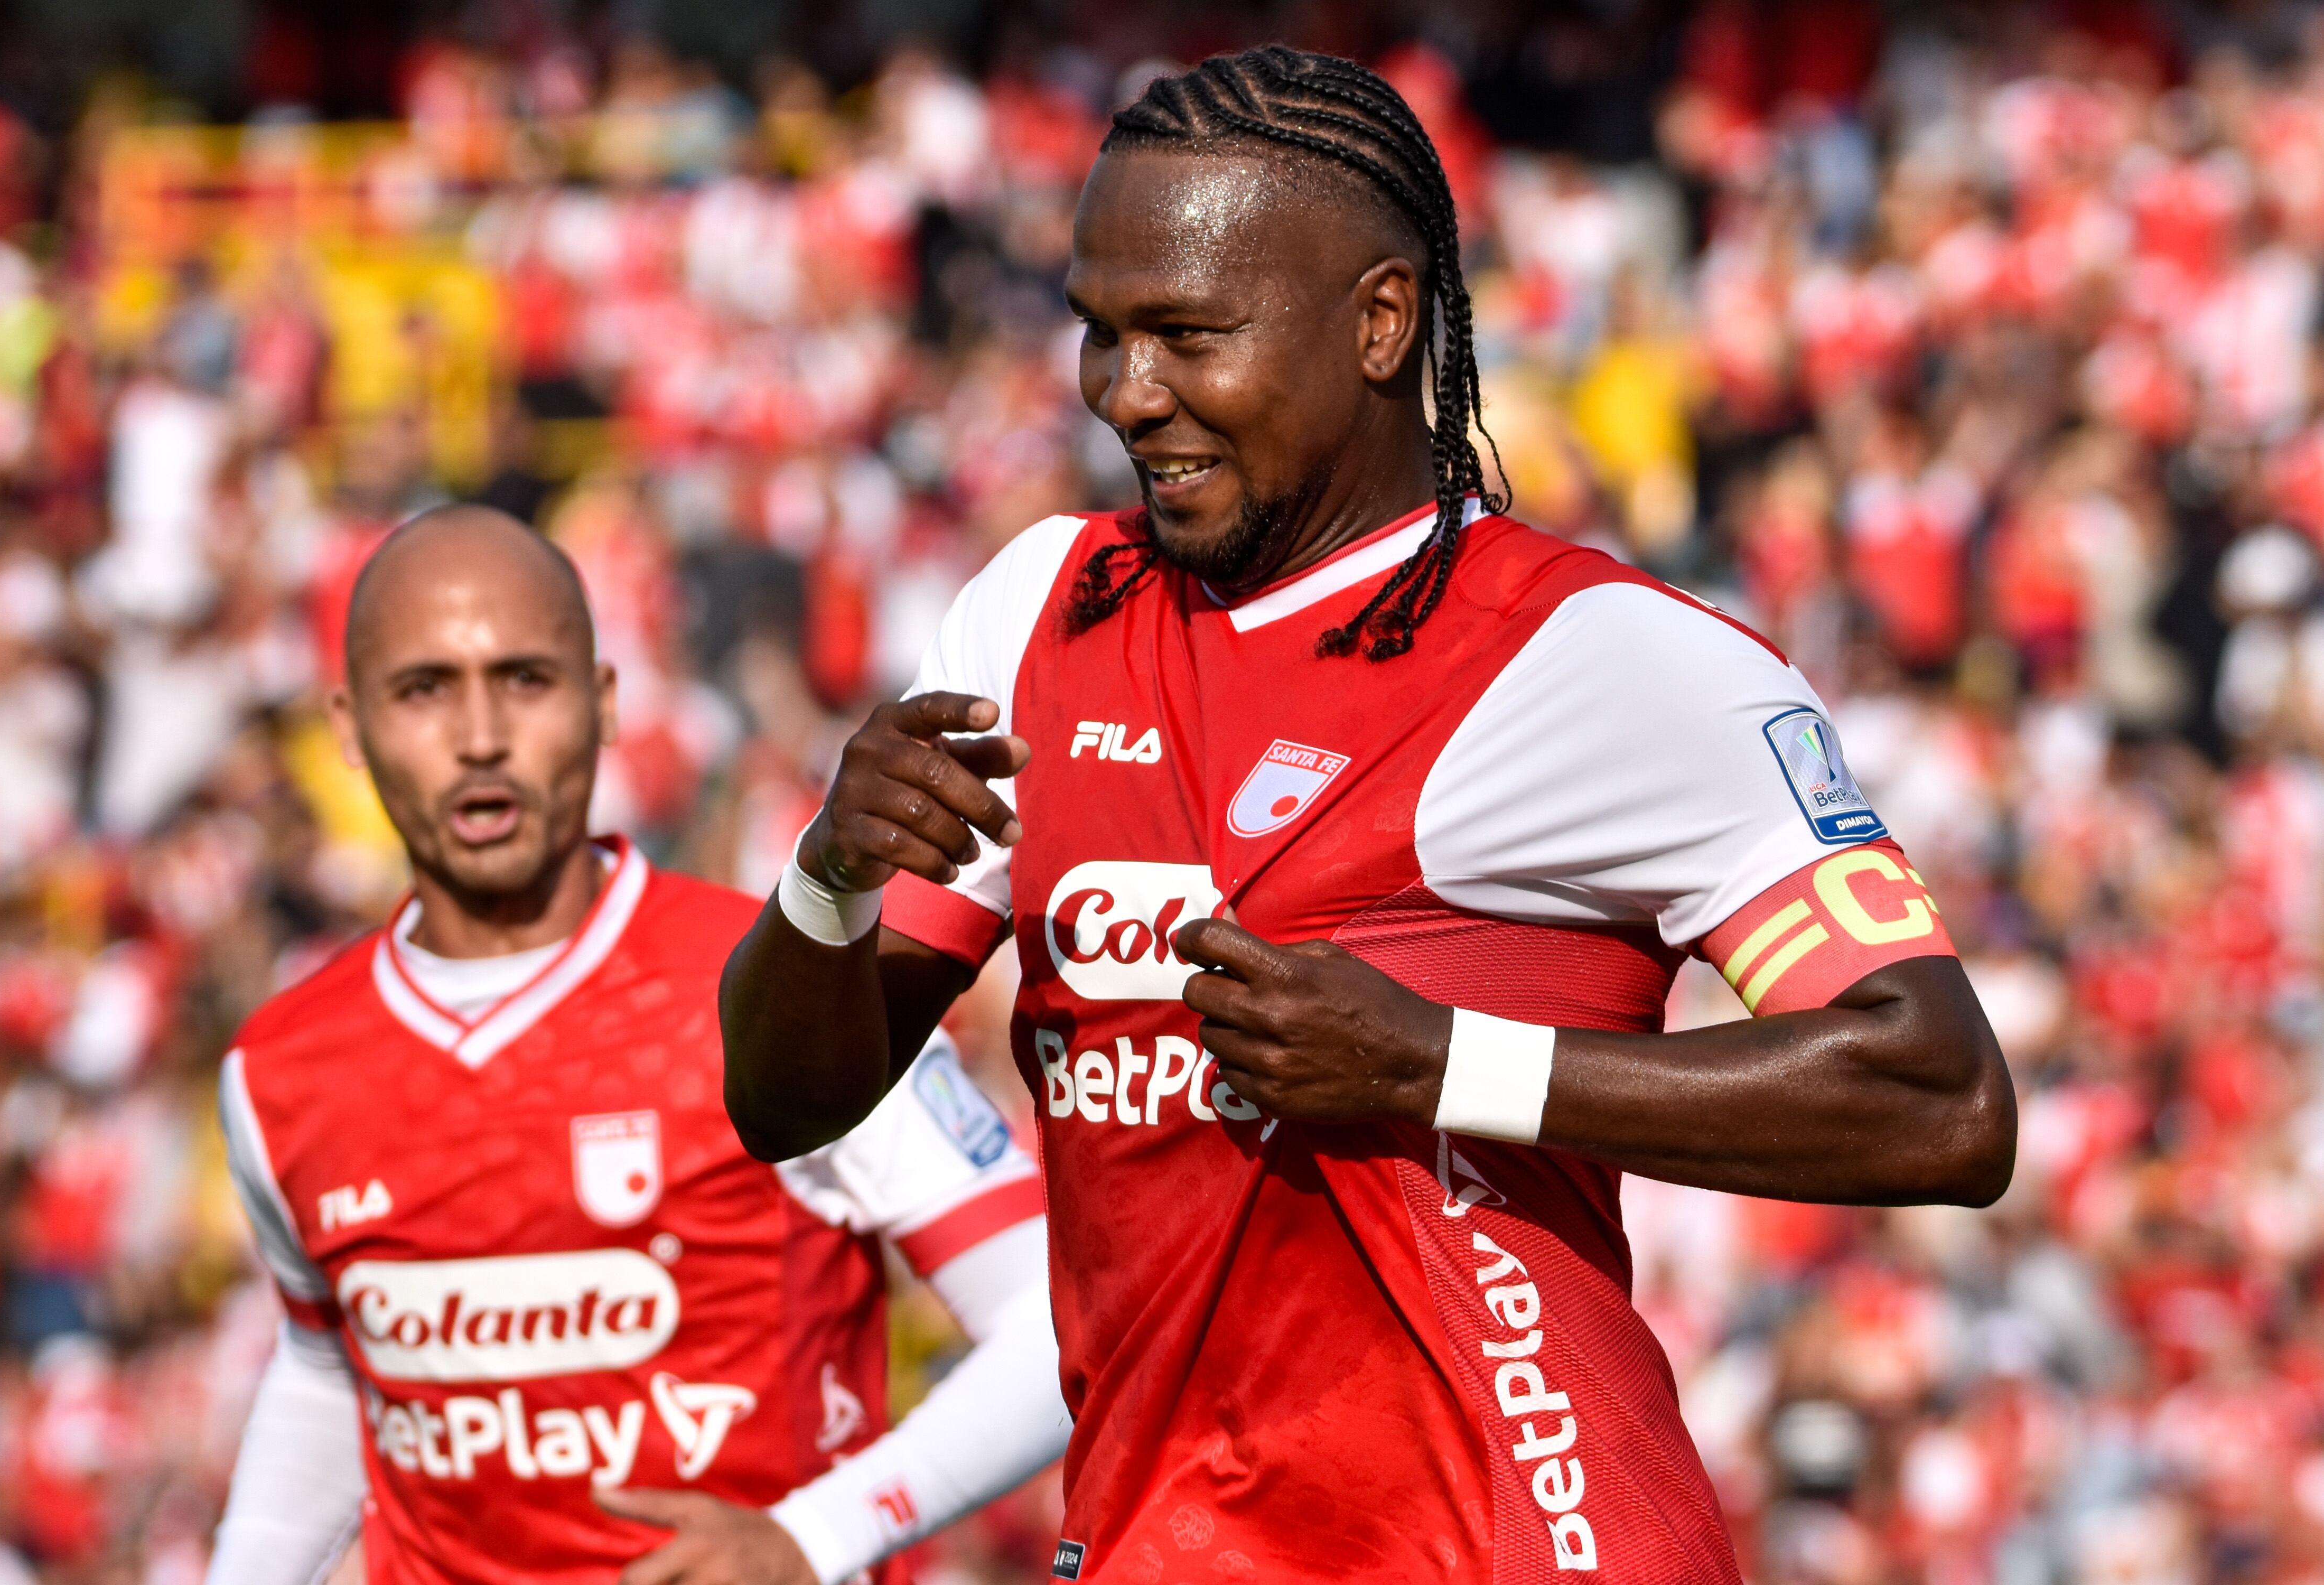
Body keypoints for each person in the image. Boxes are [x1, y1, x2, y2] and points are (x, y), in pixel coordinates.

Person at [720, 47, 2015, 1584]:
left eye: (1187, 336)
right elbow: (785, 1100)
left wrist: (1440, 1063)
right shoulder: (1033, 613)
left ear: (1380, 322)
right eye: (1101, 335)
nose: (1129, 395)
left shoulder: (1608, 657)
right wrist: (830, 876)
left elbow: (1941, 1100)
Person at [208, 506, 1069, 1585]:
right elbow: (334, 1366)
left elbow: (1055, 1330)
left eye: (525, 679)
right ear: (347, 727)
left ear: (606, 700)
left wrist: (822, 1534)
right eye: (425, 688)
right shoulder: (281, 1069)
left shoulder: (777, 992)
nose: (480, 736)